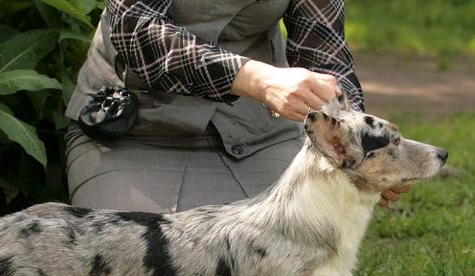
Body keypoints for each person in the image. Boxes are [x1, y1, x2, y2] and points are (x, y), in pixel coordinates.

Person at [64, 0, 407, 213]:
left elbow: (325, 55)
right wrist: (256, 80)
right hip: (136, 131)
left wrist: (359, 148)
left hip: (257, 134)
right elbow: (135, 29)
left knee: (284, 274)